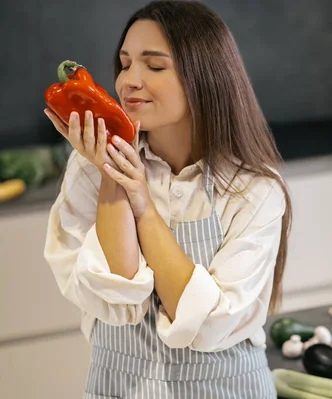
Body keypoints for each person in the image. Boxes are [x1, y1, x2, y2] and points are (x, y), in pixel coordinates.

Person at [43, 1, 292, 397]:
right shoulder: (90, 166)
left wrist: (143, 205)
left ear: (206, 78)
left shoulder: (253, 189)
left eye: (154, 66)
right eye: (125, 64)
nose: (128, 81)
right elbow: (117, 300)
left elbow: (207, 324)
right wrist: (112, 170)